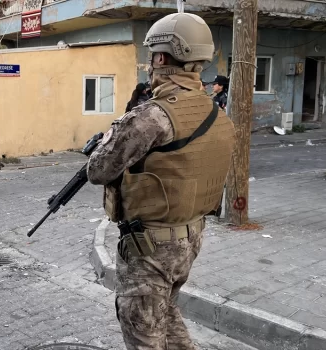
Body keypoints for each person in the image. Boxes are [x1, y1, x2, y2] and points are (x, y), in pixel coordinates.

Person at [86, 13, 236, 350]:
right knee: (165, 314)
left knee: (142, 330)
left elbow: (98, 171)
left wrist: (107, 140)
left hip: (151, 246)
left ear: (162, 57)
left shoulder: (151, 115)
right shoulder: (215, 112)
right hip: (191, 236)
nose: (149, 65)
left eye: (152, 56)